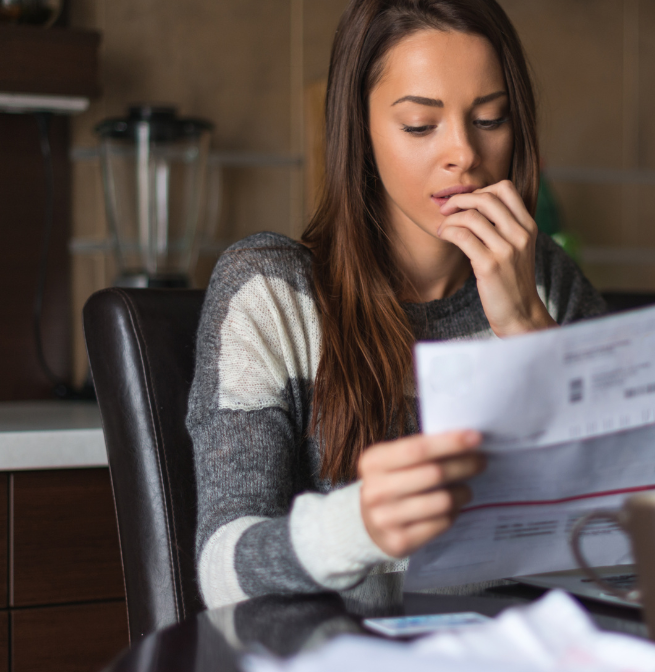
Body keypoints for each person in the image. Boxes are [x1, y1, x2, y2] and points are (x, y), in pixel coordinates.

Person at [187, 0, 605, 608]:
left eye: (490, 119)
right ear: (360, 133)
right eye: (419, 125)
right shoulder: (272, 292)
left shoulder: (545, 284)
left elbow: (624, 530)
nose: (463, 153)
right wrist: (359, 526)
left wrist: (527, 329)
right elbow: (224, 571)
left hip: (519, 662)